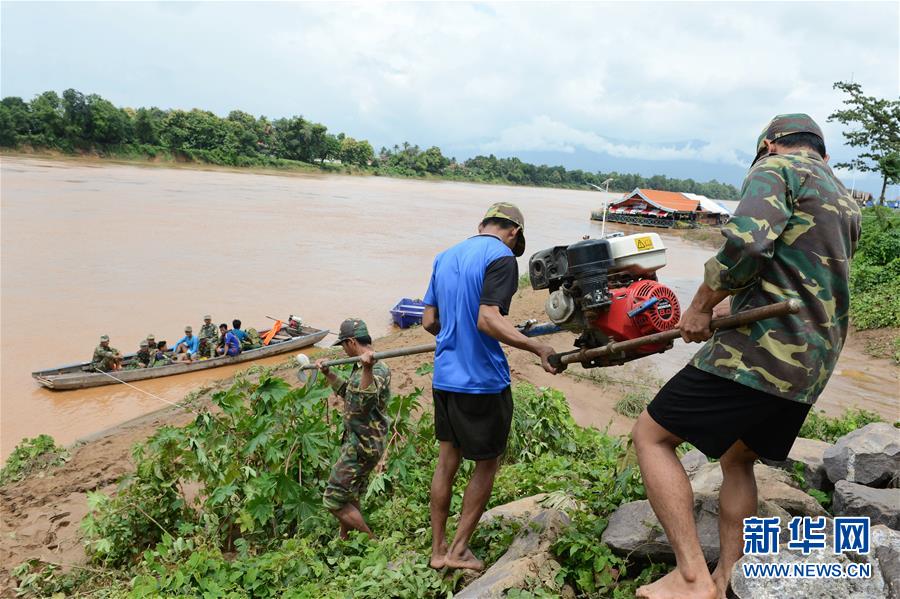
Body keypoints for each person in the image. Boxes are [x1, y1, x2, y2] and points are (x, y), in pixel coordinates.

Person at [631, 114, 861, 599]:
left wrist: (697, 308)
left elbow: (747, 244)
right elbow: (798, 269)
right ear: (822, 149)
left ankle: (692, 578)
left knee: (651, 436)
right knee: (739, 459)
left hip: (762, 350)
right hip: (814, 361)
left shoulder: (778, 168)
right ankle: (729, 578)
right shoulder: (844, 195)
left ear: (771, 144)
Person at [422, 202, 558, 571]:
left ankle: (438, 550)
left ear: (481, 224)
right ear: (513, 233)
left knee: (446, 462)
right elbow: (487, 319)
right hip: (481, 381)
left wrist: (452, 333)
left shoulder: (444, 256)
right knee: (486, 464)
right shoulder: (502, 258)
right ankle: (459, 550)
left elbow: (429, 320)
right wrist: (537, 346)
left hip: (445, 377)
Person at [314, 318, 389, 540]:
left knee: (333, 498)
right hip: (356, 440)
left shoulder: (377, 368)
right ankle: (346, 538)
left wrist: (367, 368)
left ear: (352, 342)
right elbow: (350, 394)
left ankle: (370, 540)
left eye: (343, 345)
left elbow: (364, 405)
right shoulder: (359, 367)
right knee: (350, 491)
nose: (344, 350)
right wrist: (328, 374)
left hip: (364, 444)